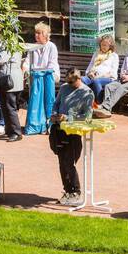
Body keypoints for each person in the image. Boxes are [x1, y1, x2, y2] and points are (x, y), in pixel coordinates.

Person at [48, 68, 94, 204]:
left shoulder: (87, 93)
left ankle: (76, 192)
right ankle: (68, 192)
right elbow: (56, 103)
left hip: (73, 133)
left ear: (78, 79)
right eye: (67, 81)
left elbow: (87, 116)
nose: (68, 85)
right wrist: (55, 114)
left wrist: (67, 117)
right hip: (58, 129)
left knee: (69, 163)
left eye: (71, 82)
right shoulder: (64, 88)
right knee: (62, 163)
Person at [23, 22, 59, 134]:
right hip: (36, 76)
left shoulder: (52, 47)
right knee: (37, 84)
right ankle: (38, 124)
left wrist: (39, 72)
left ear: (45, 34)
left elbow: (51, 65)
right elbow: (27, 63)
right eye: (36, 33)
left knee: (48, 96)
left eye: (39, 33)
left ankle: (49, 122)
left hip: (50, 76)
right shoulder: (33, 47)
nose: (36, 35)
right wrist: (24, 69)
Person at [84, 35, 119, 103]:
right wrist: (89, 73)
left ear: (110, 46)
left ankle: (100, 103)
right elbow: (90, 67)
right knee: (81, 80)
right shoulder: (96, 53)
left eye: (105, 45)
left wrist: (100, 76)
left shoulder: (114, 56)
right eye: (102, 45)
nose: (103, 47)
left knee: (96, 81)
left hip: (108, 78)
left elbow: (113, 72)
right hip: (93, 76)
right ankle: (81, 104)